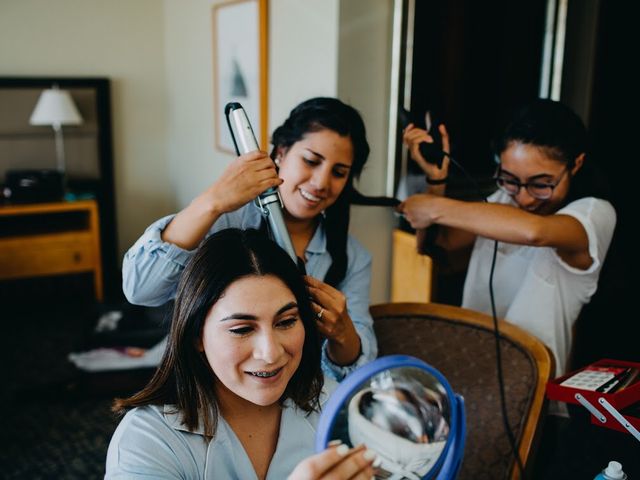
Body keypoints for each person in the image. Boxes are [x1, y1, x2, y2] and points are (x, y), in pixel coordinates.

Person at [123, 97, 379, 380]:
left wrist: (343, 333)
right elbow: (141, 288)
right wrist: (212, 202)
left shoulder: (352, 258)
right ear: (281, 152)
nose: (320, 183)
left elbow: (358, 369)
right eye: (310, 160)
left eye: (339, 172)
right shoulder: (224, 224)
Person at [106, 228, 377, 479]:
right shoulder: (147, 439)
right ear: (196, 335)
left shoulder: (337, 406)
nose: (270, 353)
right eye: (242, 329)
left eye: (286, 322)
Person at [399, 98, 616, 379]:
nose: (523, 197)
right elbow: (441, 243)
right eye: (510, 179)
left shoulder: (594, 214)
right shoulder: (502, 199)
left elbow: (535, 232)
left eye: (541, 184)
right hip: (472, 371)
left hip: (534, 388)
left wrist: (436, 208)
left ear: (576, 164)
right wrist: (436, 181)